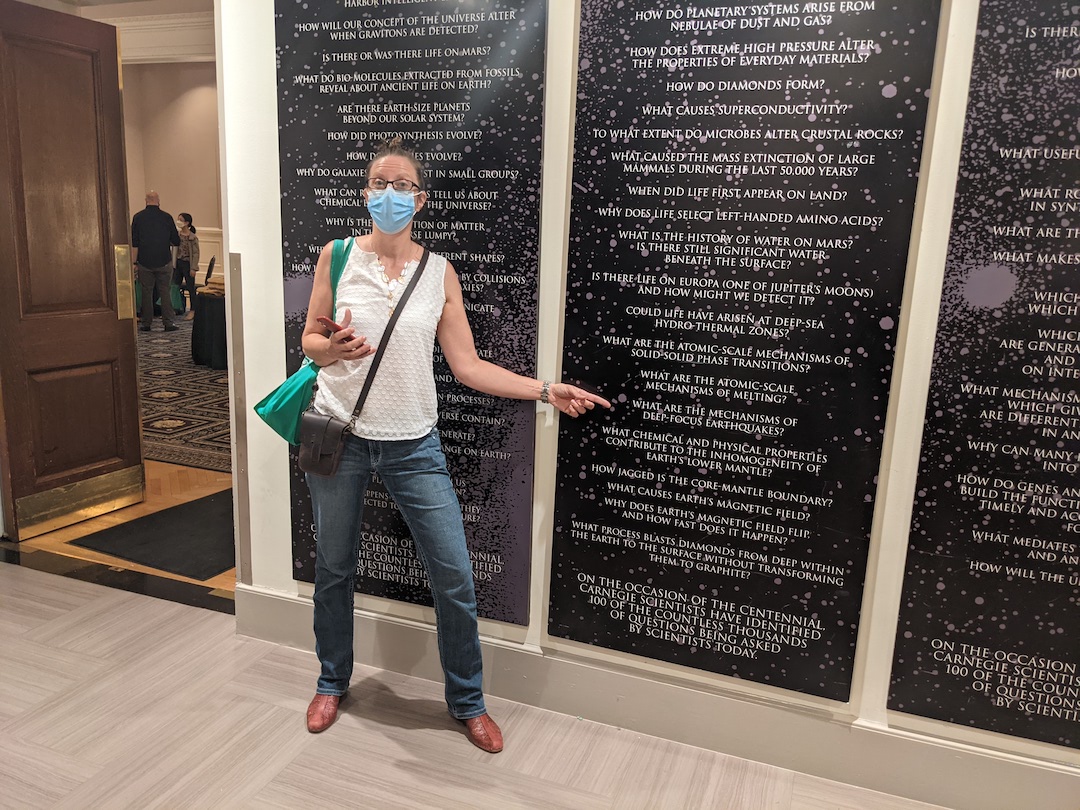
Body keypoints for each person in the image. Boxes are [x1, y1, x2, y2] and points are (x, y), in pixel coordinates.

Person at [300, 138, 611, 752]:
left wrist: (545, 389)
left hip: (415, 444)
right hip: (340, 435)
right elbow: (310, 339)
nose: (389, 195)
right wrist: (330, 349)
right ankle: (331, 680)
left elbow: (466, 364)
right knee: (334, 569)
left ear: (420, 198)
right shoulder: (336, 257)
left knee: (454, 576)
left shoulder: (438, 272)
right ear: (365, 192)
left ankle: (467, 701)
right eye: (378, 183)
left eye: (402, 185)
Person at [131, 190, 180, 331]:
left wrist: (134, 262)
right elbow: (176, 240)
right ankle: (168, 323)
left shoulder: (138, 218)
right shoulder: (167, 217)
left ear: (145, 200)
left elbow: (135, 242)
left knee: (146, 292)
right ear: (158, 200)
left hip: (144, 262)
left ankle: (146, 323)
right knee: (165, 291)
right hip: (164, 260)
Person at [175, 213, 200, 320]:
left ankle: (193, 310)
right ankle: (176, 307)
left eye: (181, 220)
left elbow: (196, 253)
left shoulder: (192, 237)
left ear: (187, 223)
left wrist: (193, 268)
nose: (178, 221)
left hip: (187, 264)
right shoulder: (177, 235)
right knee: (175, 286)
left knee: (190, 288)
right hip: (177, 263)